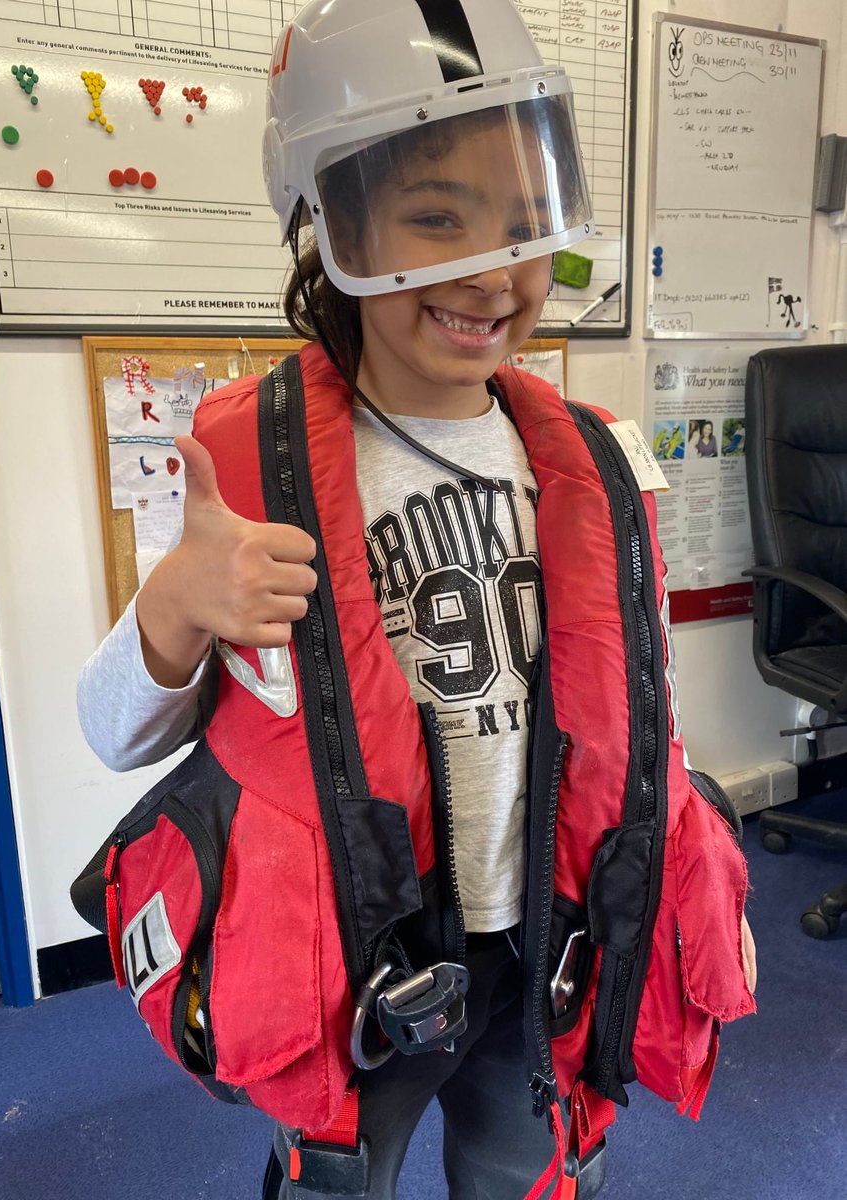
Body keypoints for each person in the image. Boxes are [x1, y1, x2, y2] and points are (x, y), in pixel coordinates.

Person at [78, 3, 756, 1198]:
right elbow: (113, 732)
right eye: (437, 219)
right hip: (362, 956)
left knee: (524, 1166)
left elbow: (646, 711)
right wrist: (176, 606)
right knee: (344, 1175)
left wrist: (686, 870)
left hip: (544, 936)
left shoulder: (599, 462)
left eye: (523, 221)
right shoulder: (252, 476)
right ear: (333, 226)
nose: (491, 273)